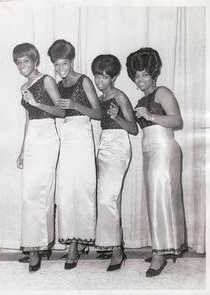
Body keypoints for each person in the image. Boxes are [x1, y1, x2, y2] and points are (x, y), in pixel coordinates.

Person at [126, 47, 185, 277]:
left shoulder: (162, 92)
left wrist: (150, 116)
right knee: (155, 200)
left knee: (161, 199)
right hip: (149, 150)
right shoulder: (142, 98)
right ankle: (162, 246)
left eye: (145, 75)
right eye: (137, 76)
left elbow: (177, 120)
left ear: (154, 74)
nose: (140, 80)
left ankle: (160, 254)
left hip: (164, 148)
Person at [47, 39, 102, 269]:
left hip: (82, 136)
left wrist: (75, 105)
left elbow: (98, 113)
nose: (61, 69)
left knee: (82, 189)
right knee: (66, 191)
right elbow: (59, 112)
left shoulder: (84, 80)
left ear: (72, 60)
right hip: (66, 136)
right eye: (57, 65)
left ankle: (76, 246)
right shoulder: (58, 84)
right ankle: (72, 241)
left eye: (64, 64)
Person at [13, 43, 66, 272]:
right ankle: (34, 245)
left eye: (25, 61)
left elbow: (61, 111)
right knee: (29, 194)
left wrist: (36, 102)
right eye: (18, 62)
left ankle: (37, 248)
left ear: (35, 61)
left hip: (47, 137)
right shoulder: (23, 86)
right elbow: (27, 120)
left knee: (41, 193)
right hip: (33, 137)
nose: (21, 66)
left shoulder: (46, 81)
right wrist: (23, 149)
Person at [91, 54, 138, 271]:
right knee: (106, 197)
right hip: (103, 145)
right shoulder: (98, 99)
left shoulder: (119, 96)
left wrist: (117, 117)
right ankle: (112, 244)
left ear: (114, 77)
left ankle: (117, 250)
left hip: (119, 146)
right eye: (97, 77)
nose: (100, 82)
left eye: (104, 77)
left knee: (108, 197)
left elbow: (133, 129)